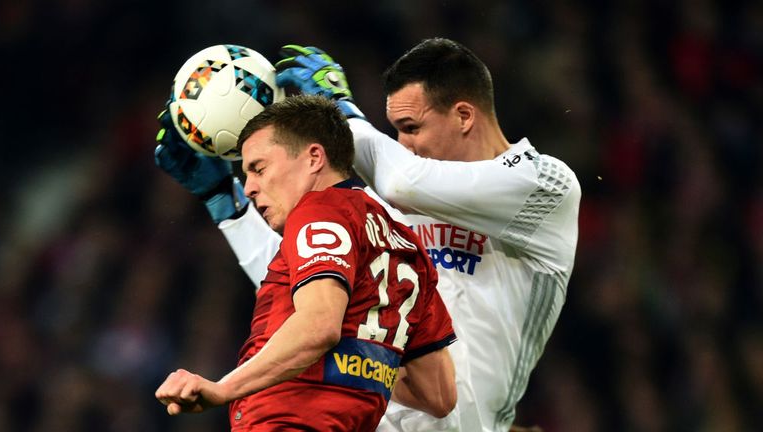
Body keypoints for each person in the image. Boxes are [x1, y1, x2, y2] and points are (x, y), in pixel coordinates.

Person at [273, 39, 581, 432]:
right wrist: (226, 206)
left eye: (411, 127)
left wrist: (341, 110)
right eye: (396, 131)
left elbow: (402, 182)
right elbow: (306, 280)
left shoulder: (545, 186)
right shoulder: (398, 200)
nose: (403, 145)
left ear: (464, 115)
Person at [154, 95, 457, 431]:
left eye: (259, 168)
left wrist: (223, 388)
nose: (251, 188)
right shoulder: (407, 244)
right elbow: (438, 393)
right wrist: (362, 363)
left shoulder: (318, 210)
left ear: (314, 157)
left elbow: (319, 326)